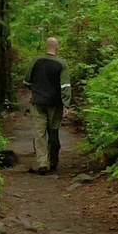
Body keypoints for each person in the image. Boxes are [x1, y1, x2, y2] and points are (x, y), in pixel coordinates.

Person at [23, 37, 71, 175]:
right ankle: (53, 161)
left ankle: (42, 162)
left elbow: (27, 80)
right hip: (55, 103)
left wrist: (35, 91)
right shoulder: (62, 64)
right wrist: (66, 104)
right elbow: (65, 86)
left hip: (37, 102)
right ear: (57, 47)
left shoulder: (36, 61)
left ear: (46, 46)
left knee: (40, 133)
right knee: (53, 131)